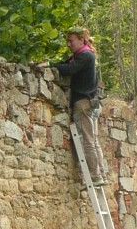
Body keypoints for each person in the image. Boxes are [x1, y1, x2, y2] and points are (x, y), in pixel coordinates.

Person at [40, 27, 107, 186]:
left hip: (83, 102)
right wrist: (52, 64)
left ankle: (95, 177)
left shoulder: (85, 56)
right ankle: (101, 174)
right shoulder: (85, 55)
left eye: (71, 40)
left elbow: (69, 69)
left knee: (88, 140)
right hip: (91, 102)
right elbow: (67, 64)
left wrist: (51, 65)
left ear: (81, 39)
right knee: (94, 140)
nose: (69, 44)